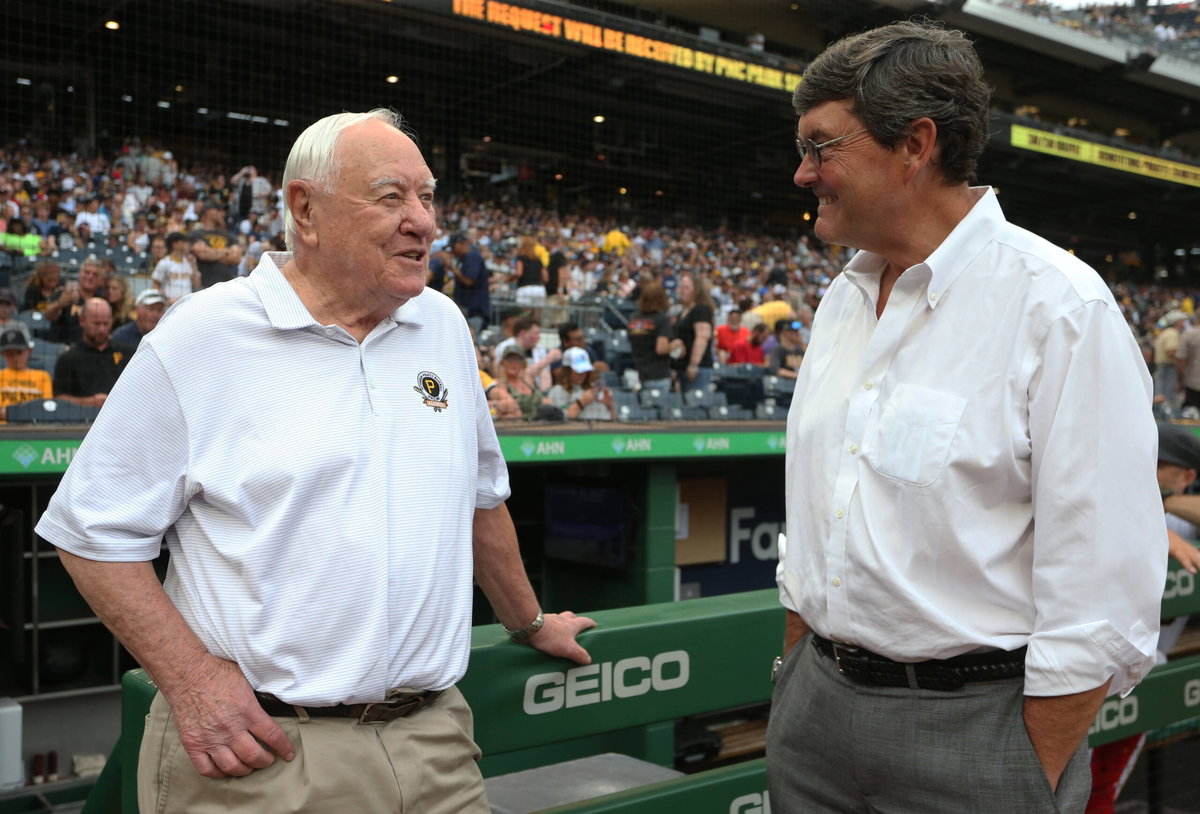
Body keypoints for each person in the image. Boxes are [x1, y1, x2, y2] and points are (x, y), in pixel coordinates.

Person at [36, 109, 593, 814]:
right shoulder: (205, 333)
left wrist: (531, 622)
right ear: (305, 209)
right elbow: (90, 534)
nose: (423, 221)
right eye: (392, 197)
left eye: (427, 197)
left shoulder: (443, 324)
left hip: (438, 742)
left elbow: (480, 499)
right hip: (265, 757)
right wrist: (192, 681)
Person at [768, 21, 1165, 814]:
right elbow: (814, 526)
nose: (803, 172)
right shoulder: (842, 298)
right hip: (815, 713)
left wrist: (1027, 766)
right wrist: (795, 682)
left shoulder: (1060, 305)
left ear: (915, 145)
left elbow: (1103, 587)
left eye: (822, 146)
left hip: (978, 729)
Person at [1085, 421, 1200, 814]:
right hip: (1091, 667)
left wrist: (1159, 507)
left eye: (1160, 464)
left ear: (1187, 477)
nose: (1148, 468)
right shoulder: (1110, 497)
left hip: (1141, 674)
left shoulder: (1180, 516)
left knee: (1101, 788)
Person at [50, 298, 131, 407]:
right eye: (96, 324)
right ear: (82, 321)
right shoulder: (68, 359)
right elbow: (59, 399)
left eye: (106, 324)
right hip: (82, 416)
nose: (102, 329)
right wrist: (90, 402)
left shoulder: (127, 354)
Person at [669, 270, 715, 391]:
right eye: (681, 287)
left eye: (686, 288)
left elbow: (702, 337)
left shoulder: (701, 309)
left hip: (698, 368)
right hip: (681, 367)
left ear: (696, 290)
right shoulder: (682, 312)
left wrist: (694, 364)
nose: (682, 291)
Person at [626, 280, 673, 392]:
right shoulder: (662, 319)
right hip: (658, 375)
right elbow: (661, 348)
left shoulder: (633, 319)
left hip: (638, 373)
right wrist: (675, 345)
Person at [547, 347, 615, 421]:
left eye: (585, 370)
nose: (583, 374)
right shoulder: (558, 391)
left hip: (604, 427)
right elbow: (561, 418)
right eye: (578, 371)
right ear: (567, 370)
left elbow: (614, 419)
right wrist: (581, 402)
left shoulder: (597, 390)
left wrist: (610, 406)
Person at [0, 328, 52, 421]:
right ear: (2, 354)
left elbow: (46, 409)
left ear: (29, 351)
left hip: (33, 426)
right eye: (9, 353)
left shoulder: (43, 376)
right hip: (4, 427)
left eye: (19, 352)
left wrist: (10, 414)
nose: (15, 357)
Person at [189, 204, 243, 289]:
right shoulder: (196, 234)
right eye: (217, 210)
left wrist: (211, 254)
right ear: (207, 212)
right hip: (205, 285)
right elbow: (203, 253)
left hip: (228, 285)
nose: (222, 213)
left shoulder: (229, 236)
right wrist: (227, 251)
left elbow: (236, 258)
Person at [449, 233, 491, 333]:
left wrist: (453, 269)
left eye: (453, 246)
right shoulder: (463, 258)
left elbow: (469, 281)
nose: (452, 250)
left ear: (460, 244)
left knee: (471, 340)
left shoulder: (472, 256)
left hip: (474, 311)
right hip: (468, 311)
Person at [494, 346, 550, 421]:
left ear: (523, 364)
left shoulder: (528, 381)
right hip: (517, 425)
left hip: (541, 423)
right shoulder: (499, 383)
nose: (513, 363)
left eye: (517, 360)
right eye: (509, 359)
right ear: (502, 363)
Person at [153, 232, 200, 303]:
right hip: (169, 305)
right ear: (175, 244)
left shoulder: (190, 262)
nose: (188, 244)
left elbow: (197, 285)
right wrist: (165, 299)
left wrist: (194, 266)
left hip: (187, 304)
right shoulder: (164, 262)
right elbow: (155, 285)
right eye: (184, 242)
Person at [511, 235, 547, 308]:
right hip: (539, 289)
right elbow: (545, 278)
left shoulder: (520, 258)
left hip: (525, 288)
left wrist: (508, 278)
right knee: (537, 313)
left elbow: (519, 273)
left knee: (524, 313)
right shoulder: (538, 259)